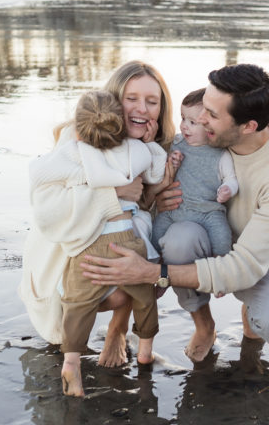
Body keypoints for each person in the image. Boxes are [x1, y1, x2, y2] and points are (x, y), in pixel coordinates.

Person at [79, 63, 269, 363]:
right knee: (179, 239)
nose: (200, 119)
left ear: (248, 127)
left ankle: (251, 320)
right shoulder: (196, 139)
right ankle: (205, 326)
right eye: (204, 108)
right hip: (197, 230)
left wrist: (153, 273)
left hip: (263, 256)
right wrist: (156, 197)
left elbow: (247, 265)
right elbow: (141, 194)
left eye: (212, 115)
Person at [18, 61, 177, 384]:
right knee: (122, 282)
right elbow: (48, 210)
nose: (142, 109)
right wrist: (113, 193)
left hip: (113, 240)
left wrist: (153, 194)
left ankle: (118, 329)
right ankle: (103, 330)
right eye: (132, 98)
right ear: (113, 101)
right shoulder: (77, 141)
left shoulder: (148, 147)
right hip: (68, 253)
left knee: (153, 267)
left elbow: (135, 210)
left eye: (152, 101)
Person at [152, 88, 238, 263]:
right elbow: (158, 169)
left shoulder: (220, 154)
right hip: (174, 210)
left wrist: (227, 189)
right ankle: (156, 271)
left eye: (192, 122)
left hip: (207, 210)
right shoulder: (176, 143)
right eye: (183, 118)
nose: (184, 126)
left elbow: (231, 179)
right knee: (154, 236)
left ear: (209, 125)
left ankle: (219, 271)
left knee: (222, 237)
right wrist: (171, 163)